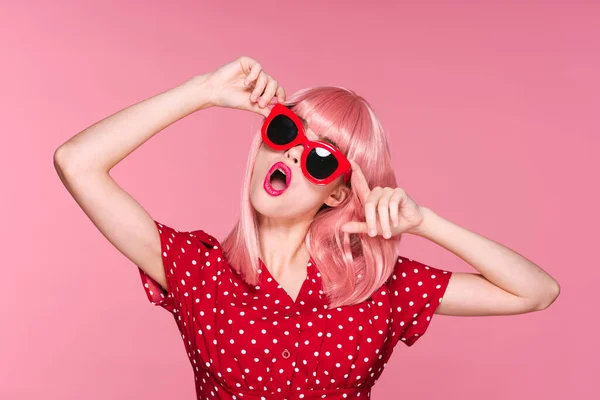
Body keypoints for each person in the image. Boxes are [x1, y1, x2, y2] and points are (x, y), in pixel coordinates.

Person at [54, 56, 560, 399]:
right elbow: (76, 161)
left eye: (321, 158)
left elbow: (536, 291)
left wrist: (426, 222)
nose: (295, 153)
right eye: (284, 131)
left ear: (336, 193)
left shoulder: (376, 286)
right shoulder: (196, 270)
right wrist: (202, 92)